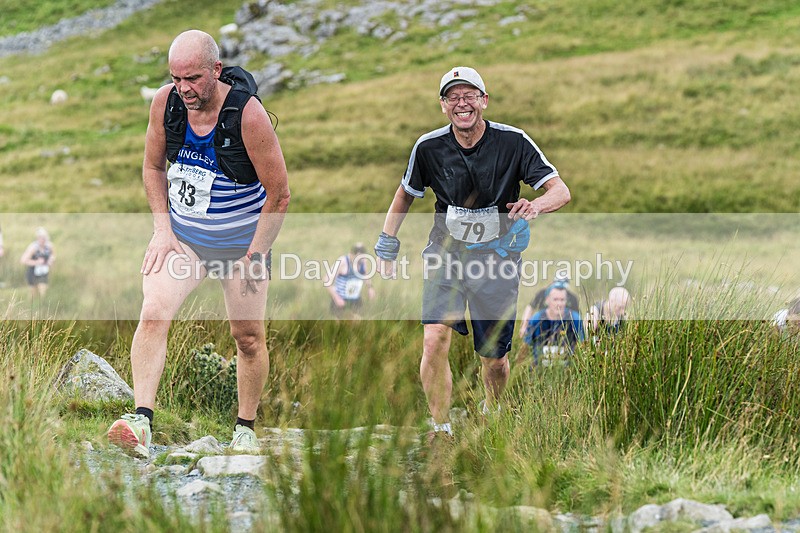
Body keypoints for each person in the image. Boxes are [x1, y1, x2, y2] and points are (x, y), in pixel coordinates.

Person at [107, 30, 290, 458]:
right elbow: (153, 167)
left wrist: (255, 255)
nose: (184, 89)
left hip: (242, 242)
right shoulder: (165, 103)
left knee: (246, 337)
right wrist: (161, 230)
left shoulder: (248, 116)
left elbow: (279, 193)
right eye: (176, 79)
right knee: (153, 312)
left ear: (216, 71)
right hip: (185, 239)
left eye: (192, 78)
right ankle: (141, 420)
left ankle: (244, 427)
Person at [375, 66, 570, 439]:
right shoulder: (428, 147)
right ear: (443, 106)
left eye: (469, 95)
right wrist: (387, 245)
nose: (461, 103)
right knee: (434, 337)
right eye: (453, 96)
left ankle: (493, 411)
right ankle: (441, 427)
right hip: (445, 255)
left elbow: (560, 190)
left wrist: (536, 205)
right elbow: (404, 194)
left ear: (483, 101)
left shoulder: (514, 142)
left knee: (494, 359)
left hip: (497, 261)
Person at [523, 284, 583, 366]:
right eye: (555, 299)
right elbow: (526, 347)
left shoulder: (575, 319)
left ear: (566, 301)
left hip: (568, 370)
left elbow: (582, 345)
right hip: (539, 370)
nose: (559, 304)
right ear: (547, 300)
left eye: (562, 300)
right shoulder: (536, 319)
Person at [324, 242, 376, 319]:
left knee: (358, 325)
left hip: (355, 299)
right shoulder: (343, 261)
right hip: (341, 300)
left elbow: (366, 274)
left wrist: (370, 288)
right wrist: (337, 298)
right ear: (351, 254)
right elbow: (326, 280)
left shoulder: (363, 261)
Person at [519, 276, 579, 340]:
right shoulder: (542, 293)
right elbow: (530, 308)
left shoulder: (572, 297)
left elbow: (576, 317)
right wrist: (524, 326)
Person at [20, 227, 55, 298]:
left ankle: (43, 306)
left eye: (44, 238)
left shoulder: (49, 246)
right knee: (32, 293)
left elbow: (53, 256)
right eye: (40, 238)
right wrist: (37, 262)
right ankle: (31, 306)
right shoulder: (33, 247)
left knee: (43, 290)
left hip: (43, 272)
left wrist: (51, 260)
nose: (42, 240)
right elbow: (23, 260)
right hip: (32, 272)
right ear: (37, 238)